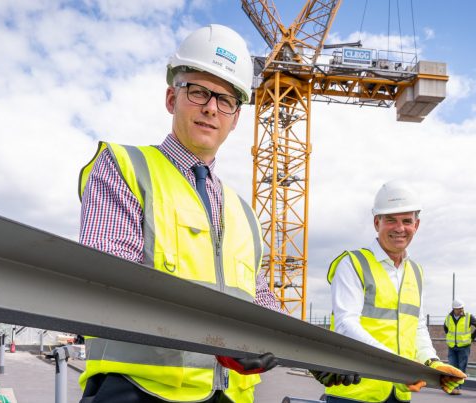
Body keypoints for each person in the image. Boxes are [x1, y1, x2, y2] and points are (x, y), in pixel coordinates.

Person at [78, 24, 355, 403]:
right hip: (136, 389)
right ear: (171, 98)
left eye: (226, 100)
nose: (211, 108)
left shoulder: (242, 211)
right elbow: (109, 280)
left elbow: (259, 298)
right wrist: (219, 337)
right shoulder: (125, 167)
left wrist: (312, 350)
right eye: (199, 92)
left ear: (236, 118)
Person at [324, 180, 466, 402]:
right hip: (354, 393)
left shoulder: (416, 272)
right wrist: (398, 366)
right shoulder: (353, 264)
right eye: (391, 220)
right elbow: (345, 325)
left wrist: (431, 361)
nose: (400, 228)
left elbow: (417, 327)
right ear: (376, 222)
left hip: (399, 393)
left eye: (407, 221)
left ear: (416, 225)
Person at [444, 298, 476, 395]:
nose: (461, 310)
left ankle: (457, 388)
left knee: (461, 367)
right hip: (452, 347)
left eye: (462, 308)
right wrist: (451, 338)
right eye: (459, 308)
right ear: (454, 309)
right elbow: (445, 328)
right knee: (452, 367)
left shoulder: (469, 316)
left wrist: (472, 337)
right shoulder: (448, 317)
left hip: (464, 347)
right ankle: (453, 387)